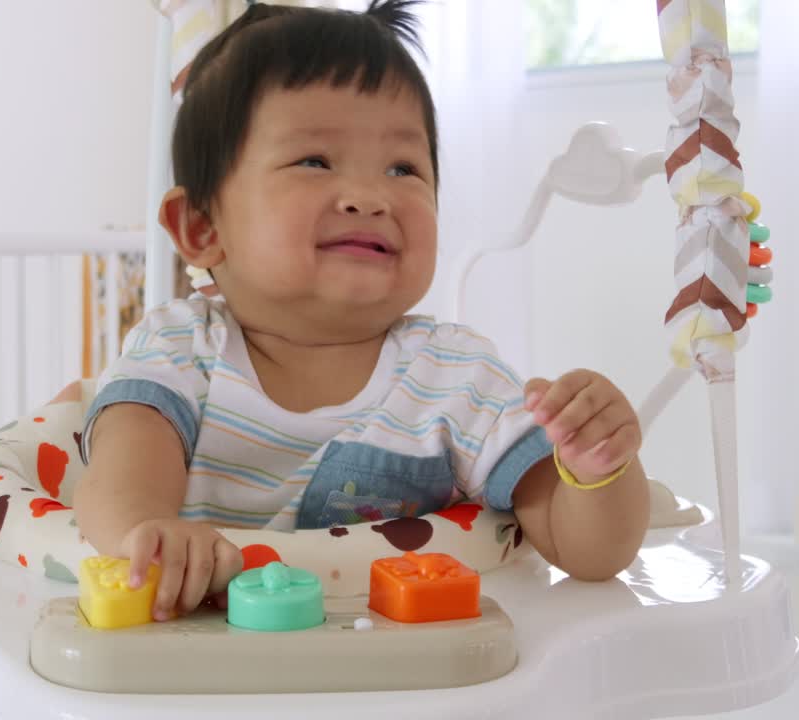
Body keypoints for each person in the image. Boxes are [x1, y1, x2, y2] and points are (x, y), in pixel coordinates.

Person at [73, 0, 649, 622]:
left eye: (404, 168)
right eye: (315, 161)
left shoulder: (457, 375)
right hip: (204, 669)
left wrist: (597, 471)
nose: (371, 196)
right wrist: (149, 530)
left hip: (403, 676)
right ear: (202, 226)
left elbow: (587, 553)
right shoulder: (179, 348)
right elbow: (117, 479)